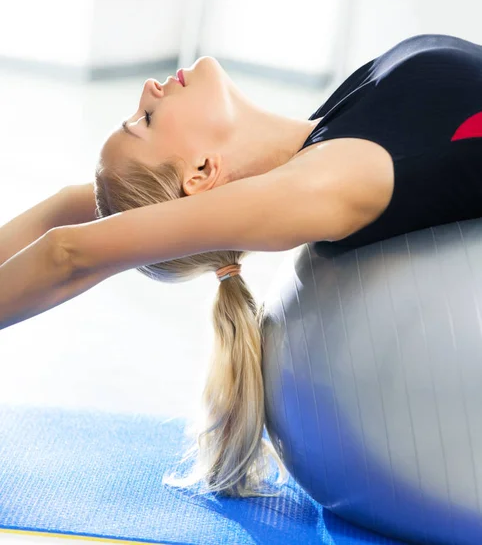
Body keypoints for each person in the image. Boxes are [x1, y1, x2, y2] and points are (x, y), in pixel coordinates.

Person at [2, 33, 482, 498]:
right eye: (146, 119)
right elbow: (67, 253)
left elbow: (72, 207)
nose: (148, 90)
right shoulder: (325, 183)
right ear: (202, 172)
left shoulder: (331, 137)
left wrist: (88, 200)